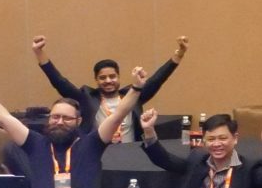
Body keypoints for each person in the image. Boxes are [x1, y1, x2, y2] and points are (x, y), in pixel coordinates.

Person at [0, 64, 132, 188]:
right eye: (55, 117)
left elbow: (118, 115)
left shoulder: (91, 144)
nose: (59, 122)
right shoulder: (35, 143)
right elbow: (3, 118)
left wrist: (137, 88)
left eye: (67, 118)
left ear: (78, 121)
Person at [35, 34, 186, 145]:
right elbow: (59, 81)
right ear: (96, 80)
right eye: (103, 78)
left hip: (131, 152)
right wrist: (39, 52)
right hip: (97, 152)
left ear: (118, 77)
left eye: (112, 76)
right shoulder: (86, 97)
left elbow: (158, 79)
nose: (108, 81)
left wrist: (179, 54)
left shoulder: (133, 95)